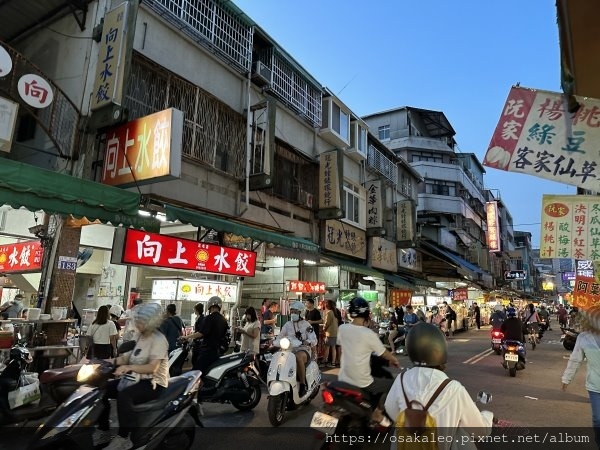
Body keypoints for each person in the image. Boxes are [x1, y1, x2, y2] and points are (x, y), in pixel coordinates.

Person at [385, 322, 493, 449]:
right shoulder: (453, 389)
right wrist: (488, 415)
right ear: (440, 349)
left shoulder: (401, 380)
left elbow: (391, 410)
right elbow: (479, 431)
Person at [97, 302, 169, 450]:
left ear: (151, 321)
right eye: (138, 320)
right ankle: (103, 428)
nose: (138, 323)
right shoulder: (139, 337)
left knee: (124, 396)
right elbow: (127, 357)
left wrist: (127, 367)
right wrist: (105, 362)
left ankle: (124, 437)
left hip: (153, 383)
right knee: (101, 388)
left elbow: (152, 368)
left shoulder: (159, 340)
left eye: (142, 321)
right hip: (134, 378)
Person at [337, 297, 400, 426]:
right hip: (362, 382)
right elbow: (384, 353)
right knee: (394, 385)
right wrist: (394, 359)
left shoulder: (342, 329)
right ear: (367, 314)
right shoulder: (368, 334)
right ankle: (377, 412)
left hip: (343, 378)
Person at [561, 308, 600, 448]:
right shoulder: (583, 337)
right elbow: (575, 359)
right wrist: (567, 378)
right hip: (595, 385)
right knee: (598, 419)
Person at [273, 301, 317, 395]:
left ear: (301, 313)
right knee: (279, 356)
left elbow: (314, 339)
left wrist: (307, 342)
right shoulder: (288, 324)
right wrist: (275, 342)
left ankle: (302, 384)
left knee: (298, 357)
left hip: (304, 349)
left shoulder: (306, 325)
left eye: (295, 312)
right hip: (290, 350)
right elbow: (280, 336)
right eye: (292, 312)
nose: (293, 314)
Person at [185, 296, 228, 376]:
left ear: (209, 306)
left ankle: (198, 388)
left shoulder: (209, 318)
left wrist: (187, 337)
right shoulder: (223, 319)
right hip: (219, 352)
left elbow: (201, 333)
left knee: (195, 373)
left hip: (208, 351)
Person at [322, 300, 339, 367]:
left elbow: (327, 323)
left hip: (330, 333)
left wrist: (324, 328)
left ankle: (324, 361)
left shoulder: (329, 312)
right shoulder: (334, 312)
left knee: (327, 347)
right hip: (335, 333)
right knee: (333, 348)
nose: (325, 305)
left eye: (326, 303)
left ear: (328, 305)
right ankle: (333, 363)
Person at [191, 302, 205, 371]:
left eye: (194, 309)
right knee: (194, 359)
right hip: (196, 341)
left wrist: (189, 336)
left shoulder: (202, 319)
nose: (194, 311)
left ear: (197, 310)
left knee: (195, 360)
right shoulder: (198, 317)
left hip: (199, 343)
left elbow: (200, 332)